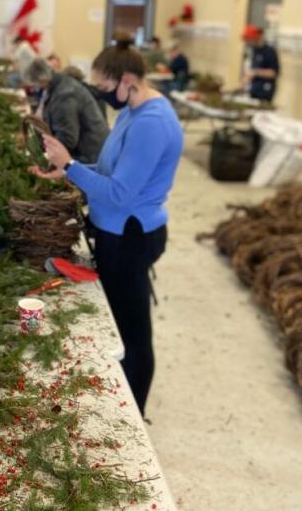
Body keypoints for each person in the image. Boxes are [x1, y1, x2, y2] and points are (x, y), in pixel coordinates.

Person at [31, 38, 183, 417]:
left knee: (132, 332)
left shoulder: (152, 123)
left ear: (127, 79)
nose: (102, 96)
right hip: (115, 231)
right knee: (116, 321)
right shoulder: (133, 110)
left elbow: (118, 193)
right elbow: (110, 170)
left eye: (103, 89)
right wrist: (67, 172)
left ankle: (133, 413)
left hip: (130, 235)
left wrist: (71, 166)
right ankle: (119, 400)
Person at [23, 58, 108, 165]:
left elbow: (67, 139)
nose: (34, 89)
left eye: (35, 85)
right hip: (88, 151)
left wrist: (43, 154)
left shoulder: (64, 95)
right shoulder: (58, 85)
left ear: (41, 80)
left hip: (89, 157)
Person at [243, 25, 280, 102]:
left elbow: (274, 73)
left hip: (265, 92)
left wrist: (255, 72)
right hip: (253, 90)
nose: (248, 42)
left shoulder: (269, 52)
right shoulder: (254, 51)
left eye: (249, 39)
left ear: (255, 38)